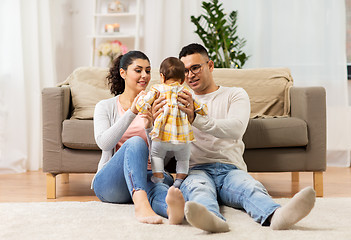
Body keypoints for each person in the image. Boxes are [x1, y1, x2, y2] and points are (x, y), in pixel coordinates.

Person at [151, 43, 316, 233]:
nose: (190, 75)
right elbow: (166, 148)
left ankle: (276, 216)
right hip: (196, 169)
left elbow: (235, 129)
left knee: (249, 187)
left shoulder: (235, 94)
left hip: (230, 168)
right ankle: (213, 220)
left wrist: (195, 119)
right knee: (198, 190)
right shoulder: (176, 101)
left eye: (195, 68)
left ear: (210, 65)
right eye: (185, 71)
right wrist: (155, 124)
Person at [92, 50, 185, 225]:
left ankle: (174, 211)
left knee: (160, 188)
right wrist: (132, 112)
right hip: (112, 184)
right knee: (135, 142)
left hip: (148, 175)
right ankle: (141, 204)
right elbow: (104, 143)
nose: (145, 76)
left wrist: (151, 128)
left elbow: (167, 156)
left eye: (148, 71)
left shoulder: (157, 105)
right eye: (138, 70)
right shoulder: (104, 107)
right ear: (123, 73)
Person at [136, 57, 207, 188]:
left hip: (162, 135)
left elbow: (142, 104)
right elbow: (201, 108)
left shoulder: (157, 89)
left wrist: (141, 100)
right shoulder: (186, 92)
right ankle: (179, 181)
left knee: (156, 155)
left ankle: (158, 178)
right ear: (183, 79)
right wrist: (201, 110)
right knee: (183, 159)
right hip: (182, 137)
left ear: (162, 77)